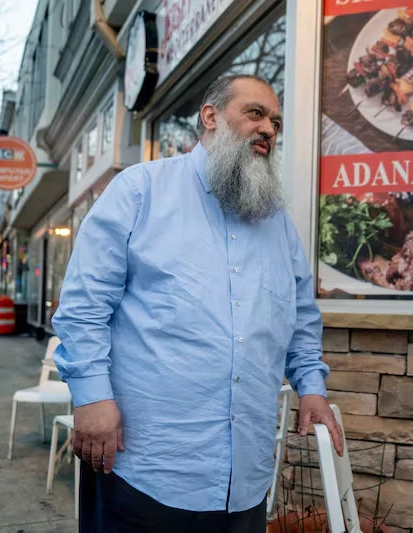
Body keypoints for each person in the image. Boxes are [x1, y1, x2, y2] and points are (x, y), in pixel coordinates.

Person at [51, 74, 344, 533]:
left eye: (276, 121)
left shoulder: (279, 225)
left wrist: (311, 386)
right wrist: (91, 397)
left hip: (243, 478)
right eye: (255, 113)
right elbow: (85, 306)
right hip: (144, 464)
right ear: (210, 116)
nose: (268, 128)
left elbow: (300, 317)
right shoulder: (140, 191)